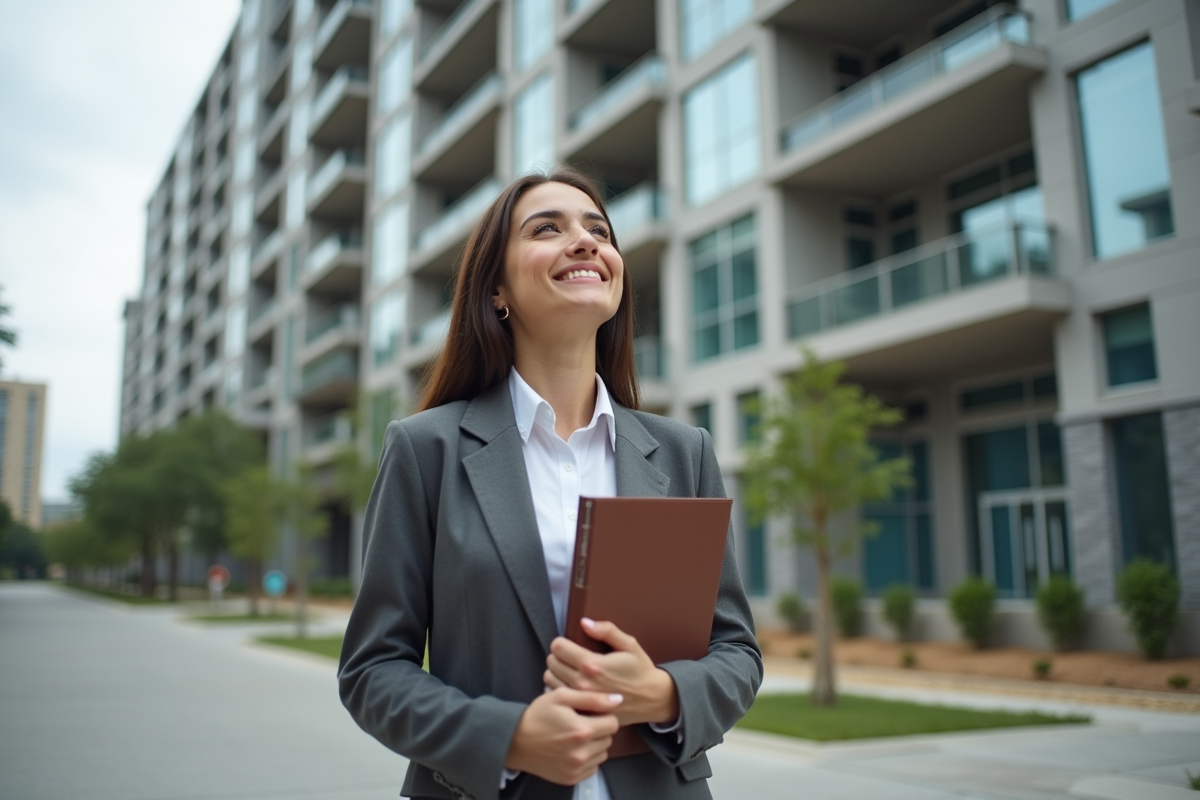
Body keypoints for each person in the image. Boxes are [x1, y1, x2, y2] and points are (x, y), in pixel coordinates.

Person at [338, 168, 762, 800]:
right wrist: (506, 736)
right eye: (548, 229)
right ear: (498, 289)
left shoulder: (683, 453)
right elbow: (372, 670)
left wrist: (665, 693)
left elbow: (736, 651)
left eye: (599, 230)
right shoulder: (425, 450)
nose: (586, 241)